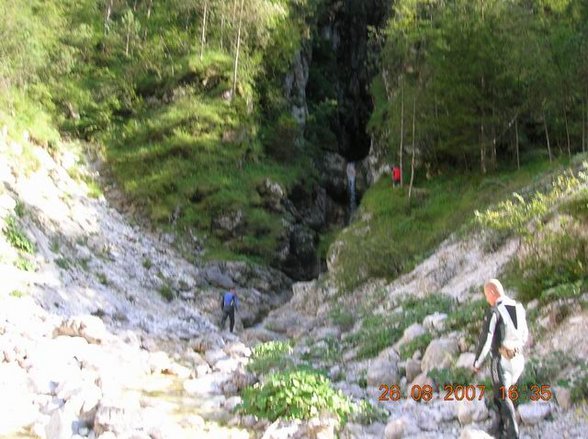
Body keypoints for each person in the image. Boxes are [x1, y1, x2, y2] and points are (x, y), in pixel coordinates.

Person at [473, 279, 529, 439]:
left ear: (491, 293)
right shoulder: (518, 308)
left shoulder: (494, 311)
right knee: (505, 394)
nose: (486, 300)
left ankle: (512, 433)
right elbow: (525, 334)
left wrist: (477, 362)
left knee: (502, 395)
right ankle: (499, 427)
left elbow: (486, 338)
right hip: (518, 358)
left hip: (502, 360)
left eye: (486, 296)